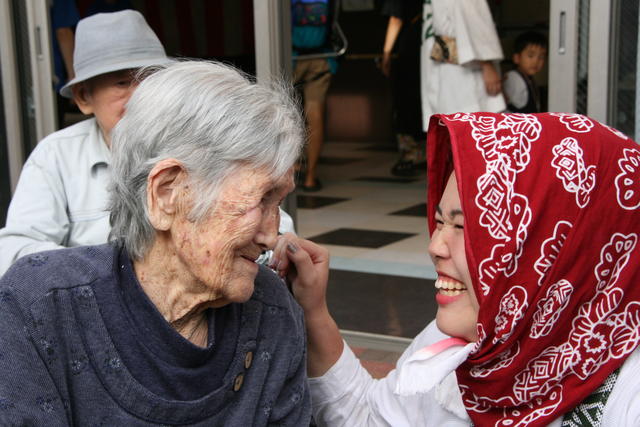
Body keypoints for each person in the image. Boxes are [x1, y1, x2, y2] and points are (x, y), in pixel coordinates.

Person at [272, 112, 640, 425]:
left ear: (561, 248)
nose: (434, 246)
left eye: (464, 227)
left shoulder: (627, 396)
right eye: (439, 222)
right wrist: (313, 311)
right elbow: (370, 419)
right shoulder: (471, 337)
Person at [0, 60, 311, 425]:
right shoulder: (38, 307)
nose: (272, 235)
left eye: (279, 203)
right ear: (167, 193)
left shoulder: (272, 310)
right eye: (261, 200)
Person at [0, 10, 171, 275]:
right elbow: (15, 250)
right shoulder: (55, 155)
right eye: (122, 82)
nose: (140, 95)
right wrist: (104, 271)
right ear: (83, 97)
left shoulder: (193, 146)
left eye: (149, 78)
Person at [420, 0, 506, 130]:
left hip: (447, 71)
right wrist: (486, 64)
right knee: (474, 128)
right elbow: (471, 20)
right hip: (464, 75)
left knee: (457, 128)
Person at [291, 0, 337, 192]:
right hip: (320, 58)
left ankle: (291, 166)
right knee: (315, 115)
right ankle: (311, 176)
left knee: (286, 114)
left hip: (291, 58)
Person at [380, 0, 425, 177]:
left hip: (409, 46)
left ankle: (411, 153)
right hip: (430, 45)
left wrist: (386, 53)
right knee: (423, 99)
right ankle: (431, 150)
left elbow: (396, 18)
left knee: (405, 100)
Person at [503, 31, 548, 113]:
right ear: (517, 58)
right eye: (530, 56)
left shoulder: (529, 79)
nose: (536, 61)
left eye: (541, 57)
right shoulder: (513, 78)